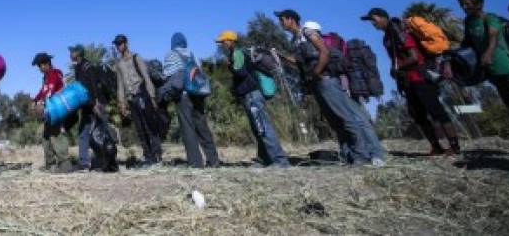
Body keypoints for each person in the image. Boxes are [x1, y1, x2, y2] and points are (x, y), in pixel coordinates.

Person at [276, 11, 383, 166]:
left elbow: (324, 52)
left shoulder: (307, 32)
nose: (280, 23)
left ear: (291, 19)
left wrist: (316, 73)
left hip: (325, 80)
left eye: (282, 19)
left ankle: (362, 155)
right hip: (316, 84)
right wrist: (280, 56)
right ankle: (348, 155)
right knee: (335, 122)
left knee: (345, 118)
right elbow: (296, 62)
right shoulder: (296, 40)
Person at [361, 8, 461, 155]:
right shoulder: (387, 36)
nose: (373, 24)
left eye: (374, 20)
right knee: (417, 114)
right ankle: (436, 146)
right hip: (407, 80)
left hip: (420, 77)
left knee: (436, 111)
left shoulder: (398, 31)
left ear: (383, 17)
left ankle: (454, 146)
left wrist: (397, 68)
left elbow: (414, 56)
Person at [215, 31, 289, 168]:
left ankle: (280, 160)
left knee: (263, 127)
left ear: (230, 41)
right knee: (258, 129)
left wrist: (229, 66)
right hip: (249, 95)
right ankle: (264, 160)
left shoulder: (237, 52)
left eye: (223, 41)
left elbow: (240, 72)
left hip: (251, 95)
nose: (222, 44)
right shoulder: (238, 52)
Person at [459, 0, 509, 124]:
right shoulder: (469, 22)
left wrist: (488, 53)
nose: (464, 7)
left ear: (478, 4)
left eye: (467, 4)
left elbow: (494, 35)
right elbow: (467, 42)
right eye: (462, 4)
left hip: (506, 65)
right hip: (491, 70)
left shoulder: (489, 17)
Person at [164, 33, 220, 169]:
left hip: (183, 95)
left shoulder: (170, 55)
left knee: (188, 128)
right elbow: (199, 71)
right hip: (197, 94)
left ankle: (196, 163)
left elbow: (169, 76)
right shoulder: (191, 53)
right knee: (202, 126)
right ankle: (213, 160)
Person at [111, 34, 163, 166]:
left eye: (120, 43)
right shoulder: (119, 64)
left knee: (150, 126)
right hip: (131, 99)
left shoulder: (136, 58)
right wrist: (121, 103)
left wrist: (152, 97)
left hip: (143, 94)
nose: (119, 46)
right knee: (140, 129)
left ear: (126, 43)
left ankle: (157, 154)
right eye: (117, 44)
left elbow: (146, 77)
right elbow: (120, 85)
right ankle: (148, 155)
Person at [31, 52, 75, 173]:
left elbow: (50, 90)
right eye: (38, 66)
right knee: (45, 136)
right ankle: (50, 164)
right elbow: (43, 91)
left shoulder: (56, 74)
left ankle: (65, 164)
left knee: (57, 135)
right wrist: (35, 100)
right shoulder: (45, 77)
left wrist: (41, 102)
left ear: (47, 64)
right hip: (49, 111)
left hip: (57, 109)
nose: (39, 68)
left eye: (40, 65)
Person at [68, 45, 107, 171]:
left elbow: (94, 84)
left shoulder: (87, 66)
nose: (70, 54)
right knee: (83, 133)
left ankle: (105, 161)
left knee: (100, 133)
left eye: (72, 52)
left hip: (95, 103)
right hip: (86, 105)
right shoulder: (77, 67)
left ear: (78, 53)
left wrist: (96, 102)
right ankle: (84, 163)